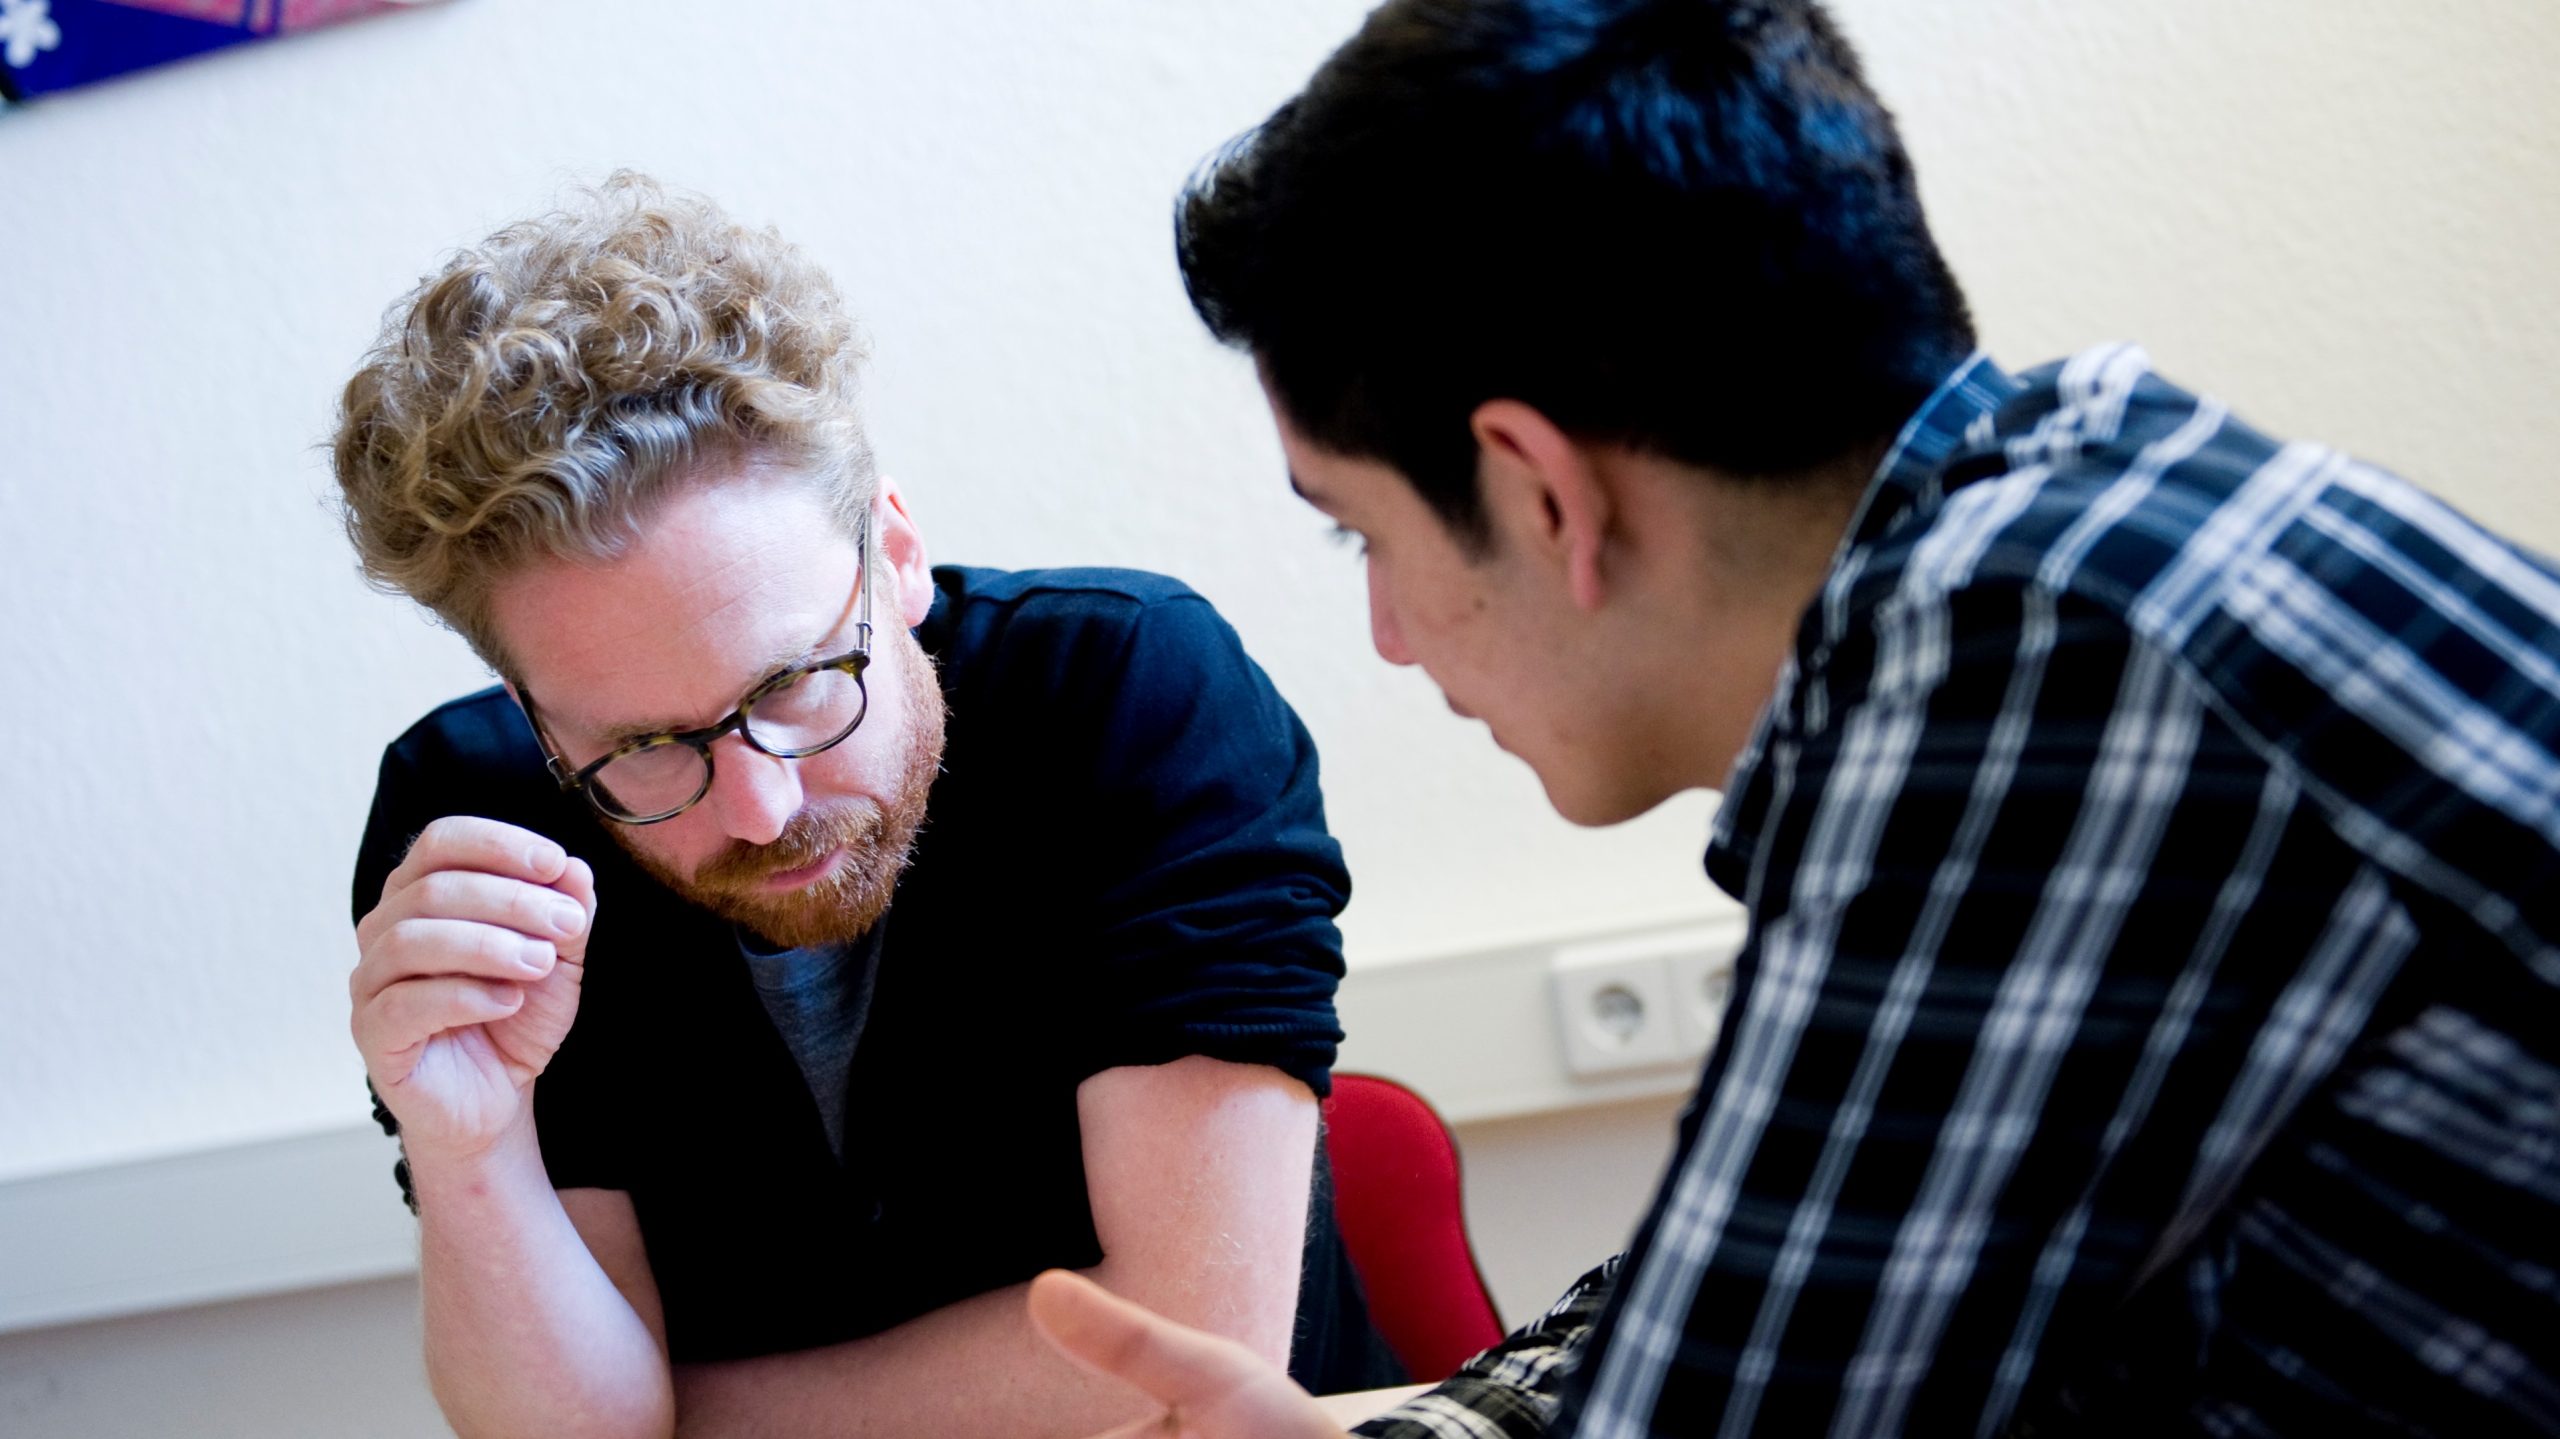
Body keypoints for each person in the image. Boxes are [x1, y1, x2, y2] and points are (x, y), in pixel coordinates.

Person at [1025, 1, 2560, 1435]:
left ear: (1540, 490)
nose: (1388, 635)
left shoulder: (2041, 667)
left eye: (1361, 534)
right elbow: (1759, 1265)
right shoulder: (2098, 517)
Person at [331, 174, 1400, 1438]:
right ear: (528, 706)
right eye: (644, 745)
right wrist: (470, 1146)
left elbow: (1186, 1356)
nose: (761, 802)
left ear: (892, 554)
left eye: (794, 682)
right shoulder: (475, 832)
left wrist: (679, 1419)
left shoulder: (1131, 692)